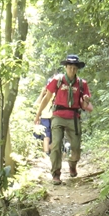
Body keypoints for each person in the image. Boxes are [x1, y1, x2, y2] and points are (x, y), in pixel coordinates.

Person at [34, 54, 93, 184]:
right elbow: (47, 97)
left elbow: (85, 103)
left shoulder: (82, 84)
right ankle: (56, 173)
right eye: (70, 67)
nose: (72, 70)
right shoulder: (58, 80)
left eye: (74, 67)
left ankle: (72, 164)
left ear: (77, 69)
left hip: (74, 117)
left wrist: (86, 100)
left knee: (76, 147)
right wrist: (38, 115)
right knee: (56, 145)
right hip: (58, 116)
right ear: (65, 67)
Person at [34, 77, 55, 156]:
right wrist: (42, 93)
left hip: (54, 118)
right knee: (46, 136)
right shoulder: (43, 96)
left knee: (54, 137)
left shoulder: (55, 95)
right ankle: (46, 153)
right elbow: (36, 105)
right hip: (44, 118)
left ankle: (51, 152)